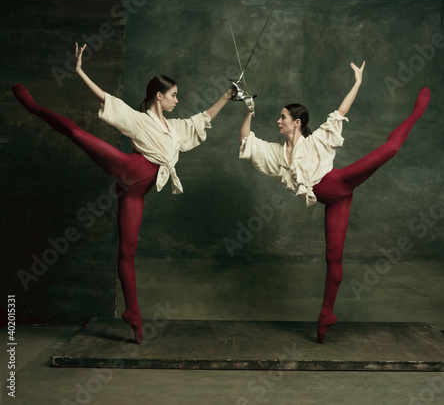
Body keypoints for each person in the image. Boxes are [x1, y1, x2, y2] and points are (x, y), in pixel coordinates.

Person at [12, 43, 236, 344]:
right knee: (77, 133)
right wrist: (79, 71)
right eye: (173, 95)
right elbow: (106, 98)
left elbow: (202, 119)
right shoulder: (138, 119)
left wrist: (226, 96)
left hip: (134, 194)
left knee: (128, 251)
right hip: (127, 170)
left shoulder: (175, 128)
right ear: (159, 95)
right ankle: (32, 106)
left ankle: (133, 313)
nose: (177, 100)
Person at [238, 61, 430, 343]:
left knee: (390, 149)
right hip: (335, 203)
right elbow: (246, 140)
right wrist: (248, 112)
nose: (278, 121)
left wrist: (358, 82)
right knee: (333, 258)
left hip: (341, 183)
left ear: (297, 122)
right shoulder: (277, 154)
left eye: (282, 117)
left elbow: (341, 111)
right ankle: (326, 314)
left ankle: (417, 113)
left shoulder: (315, 141)